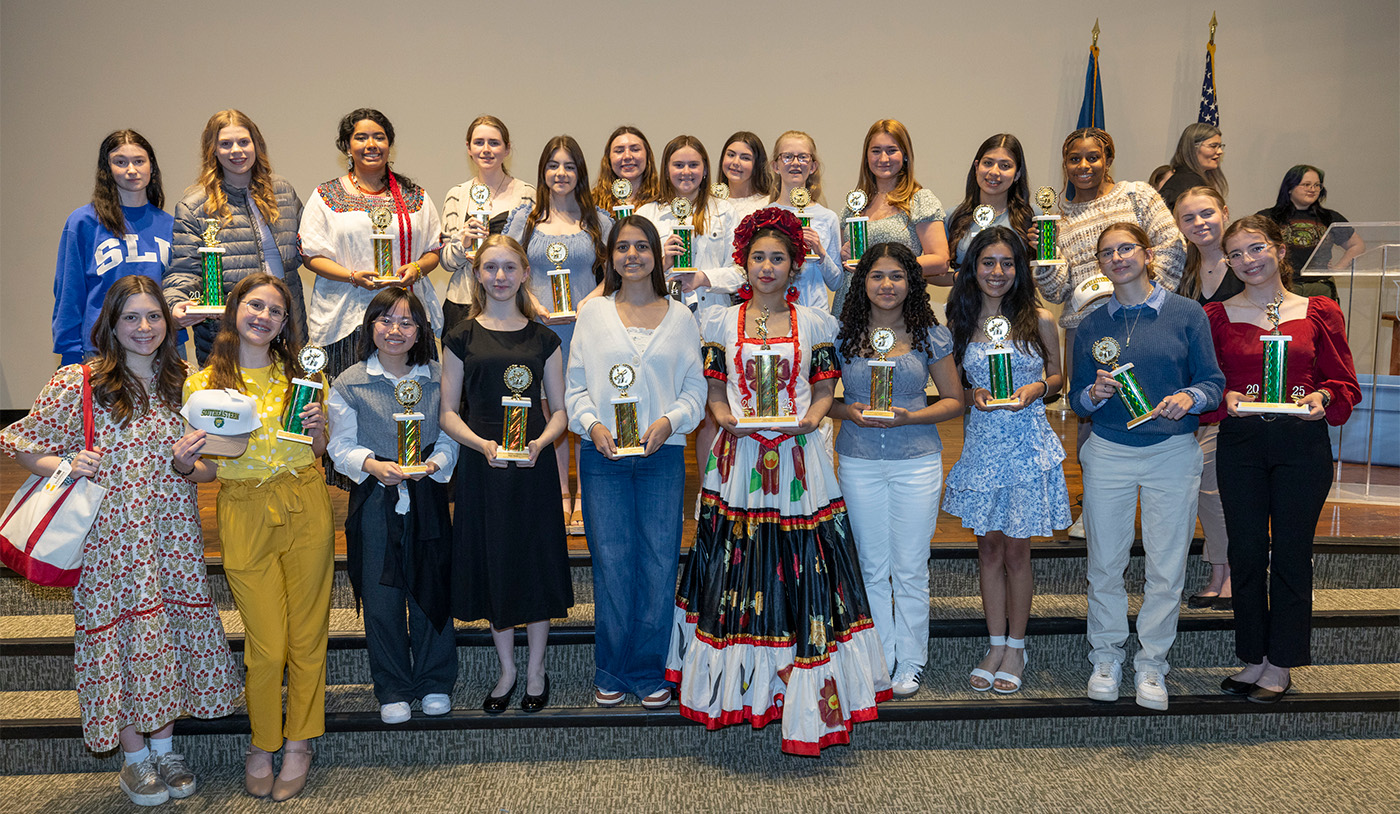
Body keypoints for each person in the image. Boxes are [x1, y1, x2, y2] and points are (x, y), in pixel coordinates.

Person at [2, 276, 239, 806]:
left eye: (153, 316)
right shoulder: (79, 381)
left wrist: (188, 464)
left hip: (171, 537)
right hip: (109, 541)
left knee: (166, 638)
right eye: (131, 317)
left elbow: (210, 470)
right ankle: (135, 759)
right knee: (121, 642)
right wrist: (66, 463)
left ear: (168, 323)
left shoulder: (187, 384)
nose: (144, 327)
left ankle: (166, 750)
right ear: (110, 323)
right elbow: (22, 445)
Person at [666, 207, 890, 755]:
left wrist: (811, 420)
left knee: (803, 562)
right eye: (758, 258)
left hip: (798, 460)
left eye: (778, 259)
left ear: (795, 266)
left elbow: (825, 386)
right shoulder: (719, 322)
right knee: (738, 561)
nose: (767, 267)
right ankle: (740, 689)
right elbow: (714, 388)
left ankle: (804, 690)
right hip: (740, 458)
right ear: (743, 264)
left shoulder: (815, 323)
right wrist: (726, 419)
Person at [178, 273, 334, 801]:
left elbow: (317, 450)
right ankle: (263, 740)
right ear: (234, 310)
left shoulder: (304, 375)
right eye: (254, 305)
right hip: (244, 511)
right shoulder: (202, 385)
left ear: (285, 323)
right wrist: (185, 464)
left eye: (275, 310)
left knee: (307, 636)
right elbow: (208, 469)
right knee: (266, 647)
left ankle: (299, 741)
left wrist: (319, 430)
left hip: (305, 502)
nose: (264, 316)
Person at [1071, 222, 1223, 712]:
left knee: (1166, 567)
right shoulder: (1091, 323)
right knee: (1104, 564)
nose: (1117, 258)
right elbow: (1076, 400)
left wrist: (1191, 396)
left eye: (1126, 248)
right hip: (1109, 452)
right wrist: (1092, 394)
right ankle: (1106, 657)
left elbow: (1213, 382)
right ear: (1100, 263)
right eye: (1107, 252)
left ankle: (1153, 663)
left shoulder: (1186, 313)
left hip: (1172, 453)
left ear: (1148, 253)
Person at [1209, 215, 1359, 703]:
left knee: (1292, 553)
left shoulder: (1319, 311)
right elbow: (1208, 383)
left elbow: (1343, 382)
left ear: (1278, 249)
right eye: (1236, 254)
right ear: (1227, 262)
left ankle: (1281, 664)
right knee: (1246, 552)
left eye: (1256, 248)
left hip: (1301, 444)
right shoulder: (1216, 315)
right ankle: (1254, 657)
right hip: (1242, 445)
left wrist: (1323, 397)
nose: (1247, 260)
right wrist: (1224, 397)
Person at [565, 216, 706, 708]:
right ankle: (611, 668)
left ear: (656, 255)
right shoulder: (593, 314)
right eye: (622, 247)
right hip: (602, 455)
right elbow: (575, 386)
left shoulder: (681, 317)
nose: (632, 255)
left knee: (659, 562)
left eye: (642, 246)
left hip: (662, 456)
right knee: (611, 562)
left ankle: (648, 671)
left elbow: (695, 389)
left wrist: (670, 421)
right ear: (610, 257)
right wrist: (592, 425)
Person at [441, 235, 573, 714]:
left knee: (534, 562)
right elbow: (447, 413)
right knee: (495, 560)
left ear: (524, 274)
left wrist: (541, 442)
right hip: (484, 466)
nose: (500, 276)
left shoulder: (545, 338)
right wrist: (481, 445)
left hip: (533, 465)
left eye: (509, 267)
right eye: (491, 267)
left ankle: (536, 669)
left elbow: (560, 411)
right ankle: (507, 670)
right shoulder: (459, 337)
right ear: (477, 273)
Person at [1034, 127, 1186, 537]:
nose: (1083, 166)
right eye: (1074, 159)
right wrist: (1043, 254)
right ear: (1065, 164)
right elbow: (1055, 291)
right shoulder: (1057, 220)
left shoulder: (1138, 195)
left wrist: (1146, 300)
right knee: (1091, 414)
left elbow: (1171, 246)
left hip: (1147, 322)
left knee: (1154, 403)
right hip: (1087, 330)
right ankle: (1094, 508)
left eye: (1093, 157)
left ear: (1108, 159)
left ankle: (1156, 504)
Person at [830, 242, 963, 698]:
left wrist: (912, 416)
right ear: (862, 282)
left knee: (909, 566)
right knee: (870, 565)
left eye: (897, 276)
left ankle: (911, 660)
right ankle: (879, 657)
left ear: (912, 283)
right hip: (859, 460)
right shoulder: (841, 336)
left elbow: (954, 401)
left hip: (916, 462)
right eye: (877, 276)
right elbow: (821, 399)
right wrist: (848, 411)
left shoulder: (931, 335)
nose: (887, 285)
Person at [941, 227, 1070, 694]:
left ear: (1020, 268)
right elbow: (953, 387)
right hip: (982, 449)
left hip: (1027, 448)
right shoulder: (959, 322)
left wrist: (1039, 388)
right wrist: (972, 392)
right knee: (989, 550)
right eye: (988, 262)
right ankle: (995, 643)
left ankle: (1017, 646)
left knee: (1017, 551)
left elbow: (1058, 377)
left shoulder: (1039, 318)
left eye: (1007, 263)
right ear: (972, 268)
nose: (997, 272)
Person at [326, 289, 460, 725]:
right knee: (381, 598)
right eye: (385, 320)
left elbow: (451, 434)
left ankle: (435, 680)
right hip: (374, 498)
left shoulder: (438, 377)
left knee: (431, 588)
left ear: (421, 331)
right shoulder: (349, 382)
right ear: (370, 327)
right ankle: (393, 686)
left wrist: (435, 464)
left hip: (427, 497)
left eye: (406, 322)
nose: (394, 330)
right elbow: (339, 445)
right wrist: (371, 464)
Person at [505, 135, 613, 530]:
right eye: (553, 165)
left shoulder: (599, 219)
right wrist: (530, 302)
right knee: (550, 412)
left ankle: (583, 495)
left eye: (569, 166)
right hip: (538, 332)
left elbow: (617, 272)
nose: (561, 173)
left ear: (580, 172)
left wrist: (591, 300)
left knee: (583, 411)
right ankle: (560, 493)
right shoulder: (525, 219)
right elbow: (507, 267)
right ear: (543, 172)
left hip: (585, 331)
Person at [299, 107, 444, 383]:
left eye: (379, 137)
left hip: (405, 319)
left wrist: (416, 269)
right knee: (348, 399)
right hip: (347, 319)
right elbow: (311, 255)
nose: (371, 144)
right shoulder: (325, 196)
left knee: (410, 396)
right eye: (361, 137)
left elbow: (433, 249)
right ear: (347, 145)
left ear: (389, 144)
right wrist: (351, 276)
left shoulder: (415, 196)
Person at [164, 109, 307, 365]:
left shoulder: (283, 192)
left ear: (256, 145)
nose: (236, 151)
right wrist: (175, 303)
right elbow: (184, 271)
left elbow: (311, 247)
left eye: (243, 142)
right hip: (227, 337)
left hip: (286, 330)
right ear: (213, 151)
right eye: (225, 144)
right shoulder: (194, 207)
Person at [1174, 186, 1241, 609]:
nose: (1199, 223)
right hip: (1200, 395)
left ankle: (1227, 572)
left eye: (1206, 213)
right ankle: (1222, 570)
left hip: (1241, 396)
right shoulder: (1185, 272)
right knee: (1203, 488)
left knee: (1213, 487)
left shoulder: (1246, 262)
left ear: (1224, 212)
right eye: (1188, 217)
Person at [53, 130, 172, 366]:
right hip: (101, 350)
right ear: (107, 169)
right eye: (120, 162)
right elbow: (69, 293)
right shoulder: (83, 222)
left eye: (139, 161)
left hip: (162, 348)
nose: (131, 170)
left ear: (152, 167)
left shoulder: (170, 224)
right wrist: (70, 355)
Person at [833, 120, 951, 315]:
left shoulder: (919, 200)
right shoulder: (854, 205)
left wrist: (881, 268)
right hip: (850, 306)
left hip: (898, 308)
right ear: (866, 157)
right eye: (876, 151)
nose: (883, 158)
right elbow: (838, 262)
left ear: (905, 155)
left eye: (891, 150)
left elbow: (940, 261)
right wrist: (842, 255)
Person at [439, 115, 536, 331]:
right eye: (479, 142)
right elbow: (446, 262)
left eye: (494, 143)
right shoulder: (456, 195)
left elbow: (531, 255)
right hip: (462, 303)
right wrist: (462, 244)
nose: (486, 150)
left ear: (507, 149)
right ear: (469, 148)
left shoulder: (527, 195)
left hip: (510, 306)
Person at [1257, 165, 1364, 300]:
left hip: (1319, 287)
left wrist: (1338, 268)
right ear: (1290, 188)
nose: (1312, 189)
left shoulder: (1329, 218)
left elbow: (1357, 245)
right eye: (1306, 185)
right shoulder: (1268, 217)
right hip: (1281, 286)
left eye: (1317, 185)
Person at [766, 130, 843, 309]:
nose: (795, 163)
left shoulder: (828, 218)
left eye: (803, 157)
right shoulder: (765, 217)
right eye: (787, 157)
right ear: (775, 166)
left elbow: (836, 282)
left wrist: (820, 252)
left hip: (816, 313)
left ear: (813, 166)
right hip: (775, 313)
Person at [944, 134, 1035, 271]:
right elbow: (935, 274)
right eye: (988, 163)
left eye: (1005, 166)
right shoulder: (951, 217)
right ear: (976, 167)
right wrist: (963, 278)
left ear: (1017, 174)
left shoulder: (1033, 215)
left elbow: (1044, 272)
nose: (994, 172)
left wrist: (1050, 246)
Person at [1157, 123, 1228, 211]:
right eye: (1213, 146)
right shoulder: (1189, 185)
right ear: (1192, 148)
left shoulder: (1184, 180)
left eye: (1220, 146)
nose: (1220, 151)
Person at [591, 126, 661, 214]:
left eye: (635, 149)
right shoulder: (592, 203)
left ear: (648, 156)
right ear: (608, 159)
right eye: (619, 151)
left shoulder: (663, 201)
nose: (627, 156)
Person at [717, 130, 774, 220]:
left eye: (745, 158)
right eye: (731, 155)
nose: (736, 162)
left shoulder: (768, 205)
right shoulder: (709, 202)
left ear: (757, 165)